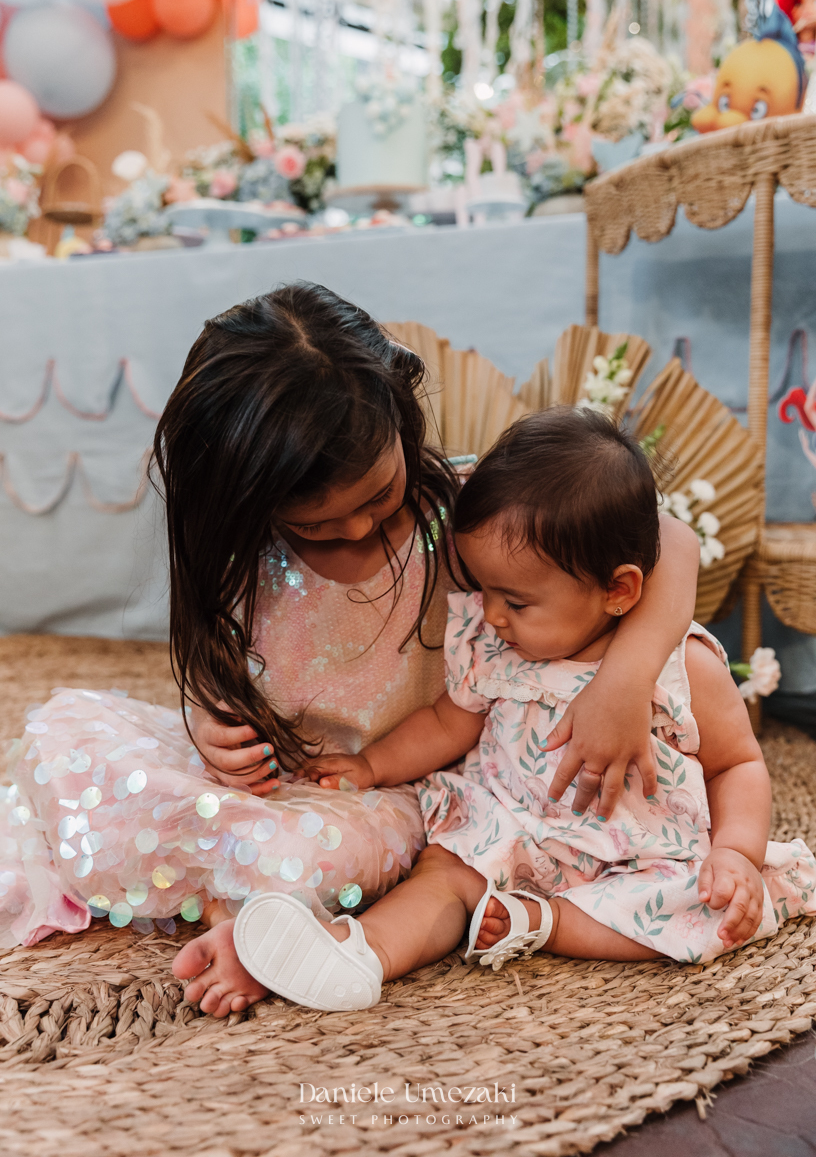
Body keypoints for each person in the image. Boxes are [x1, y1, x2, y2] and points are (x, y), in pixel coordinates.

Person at [1, 284, 698, 1019]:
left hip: (385, 792)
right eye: (320, 527)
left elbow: (672, 538)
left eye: (377, 496)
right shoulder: (244, 548)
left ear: (401, 415)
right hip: (270, 783)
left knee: (310, 860)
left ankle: (251, 912)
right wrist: (211, 720)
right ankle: (234, 894)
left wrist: (624, 677)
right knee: (65, 734)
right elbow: (221, 667)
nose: (361, 530)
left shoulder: (463, 515)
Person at [226, 409, 816, 1012]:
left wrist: (736, 852)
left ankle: (550, 923)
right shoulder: (494, 643)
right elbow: (447, 723)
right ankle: (359, 949)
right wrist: (372, 766)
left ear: (618, 590)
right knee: (443, 874)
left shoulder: (682, 667)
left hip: (635, 857)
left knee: (700, 911)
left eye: (517, 600)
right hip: (509, 828)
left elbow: (737, 764)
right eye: (484, 590)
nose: (494, 613)